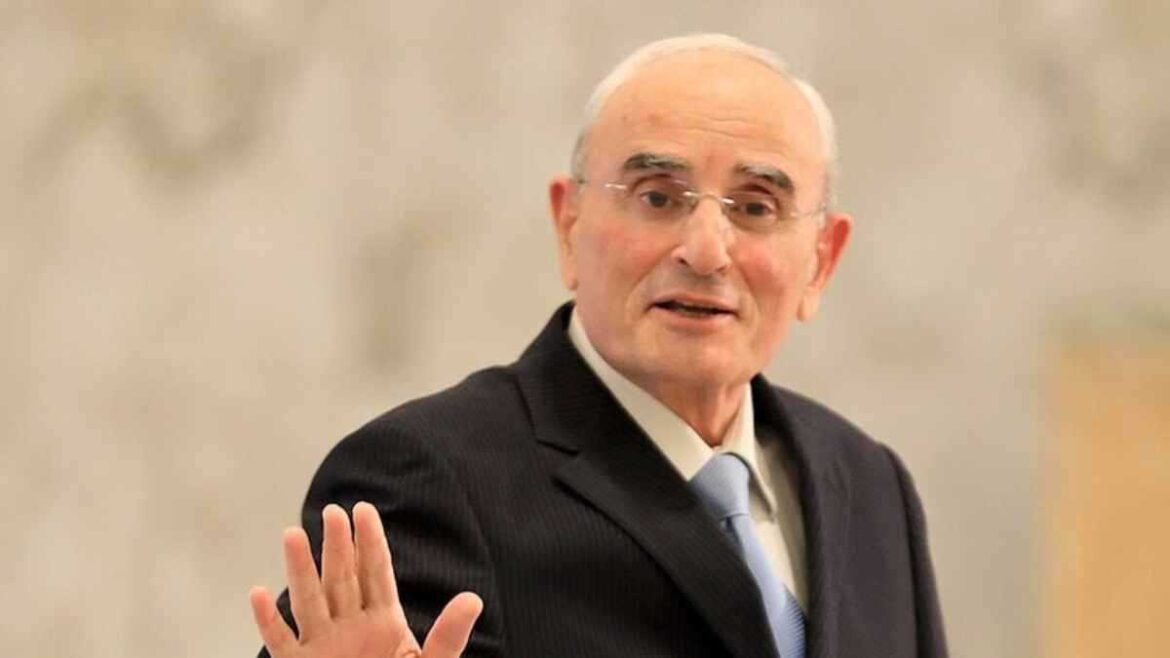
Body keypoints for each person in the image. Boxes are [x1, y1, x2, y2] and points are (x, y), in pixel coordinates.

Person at [249, 33, 948, 658]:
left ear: (822, 260)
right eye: (658, 197)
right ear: (569, 224)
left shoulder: (870, 485)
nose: (707, 251)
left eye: (757, 207)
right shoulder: (429, 480)